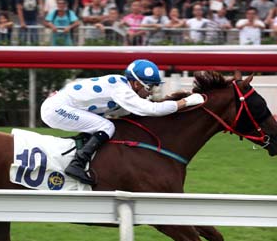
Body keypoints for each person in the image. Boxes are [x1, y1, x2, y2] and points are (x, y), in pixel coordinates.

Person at [40, 59, 204, 185]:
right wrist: (184, 103)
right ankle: (76, 165)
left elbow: (145, 109)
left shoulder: (123, 87)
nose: (150, 92)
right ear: (136, 83)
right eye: (149, 87)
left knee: (104, 125)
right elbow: (150, 109)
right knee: (106, 126)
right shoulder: (121, 89)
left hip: (60, 106)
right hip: (55, 110)